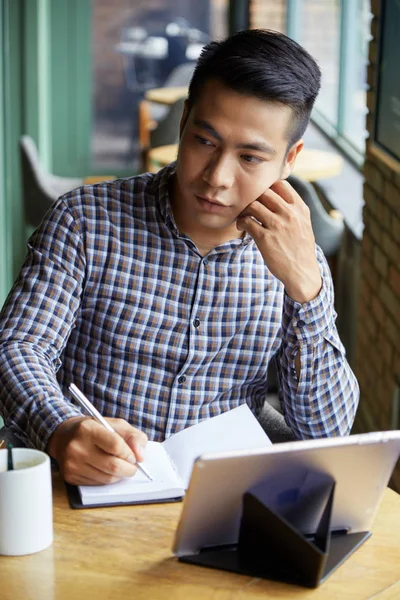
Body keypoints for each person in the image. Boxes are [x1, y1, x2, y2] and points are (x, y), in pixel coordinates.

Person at [0, 29, 359, 486]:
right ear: (185, 120)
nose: (217, 178)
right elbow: (19, 347)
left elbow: (326, 429)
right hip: (84, 488)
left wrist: (308, 292)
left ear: (289, 160)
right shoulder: (85, 220)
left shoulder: (295, 257)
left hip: (217, 502)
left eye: (250, 158)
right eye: (205, 142)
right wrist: (60, 428)